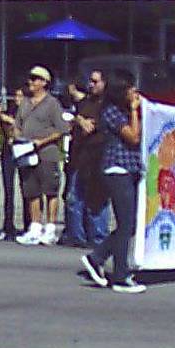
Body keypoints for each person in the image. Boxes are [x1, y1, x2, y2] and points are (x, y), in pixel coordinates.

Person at [80, 69, 147, 294]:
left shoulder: (123, 110)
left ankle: (97, 257)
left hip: (130, 169)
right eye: (130, 88)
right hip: (116, 169)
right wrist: (135, 112)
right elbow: (133, 137)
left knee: (131, 224)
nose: (134, 92)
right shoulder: (111, 113)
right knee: (126, 223)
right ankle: (120, 275)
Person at [14, 66, 69, 246]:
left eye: (36, 78)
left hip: (47, 154)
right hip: (26, 153)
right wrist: (17, 137)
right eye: (30, 78)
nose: (31, 82)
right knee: (31, 190)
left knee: (50, 191)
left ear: (44, 82)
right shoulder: (25, 103)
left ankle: (50, 228)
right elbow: (18, 124)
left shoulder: (52, 104)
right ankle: (35, 226)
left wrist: (42, 141)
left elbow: (62, 129)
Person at [63, 70, 111, 248]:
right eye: (90, 81)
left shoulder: (108, 105)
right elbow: (75, 120)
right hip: (79, 158)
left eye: (95, 81)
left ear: (104, 83)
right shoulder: (84, 103)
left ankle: (98, 238)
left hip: (99, 159)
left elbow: (95, 126)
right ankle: (76, 236)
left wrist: (85, 122)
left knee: (97, 201)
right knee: (74, 198)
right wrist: (78, 119)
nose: (91, 84)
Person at [0, 87, 27, 241]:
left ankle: (29, 224)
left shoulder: (28, 112)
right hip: (8, 151)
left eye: (21, 96)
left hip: (23, 151)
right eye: (16, 96)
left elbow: (23, 128)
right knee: (8, 190)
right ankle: (8, 225)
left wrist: (7, 118)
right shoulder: (10, 110)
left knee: (26, 189)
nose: (17, 99)